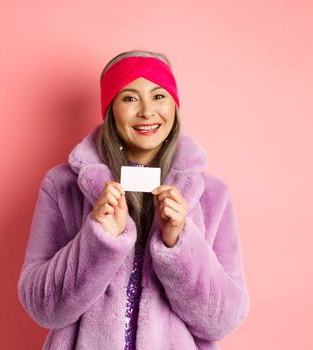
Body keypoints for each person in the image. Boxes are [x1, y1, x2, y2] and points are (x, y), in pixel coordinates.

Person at [18, 50, 249, 349]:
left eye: (158, 96)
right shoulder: (62, 187)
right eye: (129, 98)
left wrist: (179, 243)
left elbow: (224, 319)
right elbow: (41, 306)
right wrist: (98, 238)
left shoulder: (212, 196)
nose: (147, 111)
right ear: (110, 108)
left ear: (174, 105)